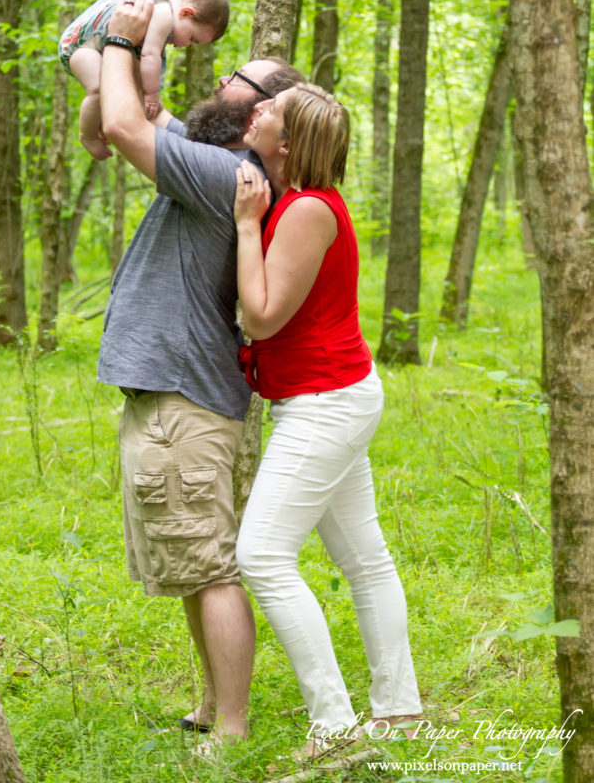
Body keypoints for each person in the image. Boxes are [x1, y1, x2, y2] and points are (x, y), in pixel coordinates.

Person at [96, 0, 305, 745]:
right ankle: (213, 706)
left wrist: (124, 41)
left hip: (186, 397)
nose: (218, 84)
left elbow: (125, 124)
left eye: (236, 83)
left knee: (209, 565)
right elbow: (133, 118)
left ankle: (235, 730)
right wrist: (112, 56)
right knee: (194, 560)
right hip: (179, 390)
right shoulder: (222, 164)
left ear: (263, 114)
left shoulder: (227, 178)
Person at [232, 83, 421, 758]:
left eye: (269, 114)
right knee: (364, 560)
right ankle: (397, 712)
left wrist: (248, 225)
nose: (255, 113)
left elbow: (261, 316)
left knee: (260, 555)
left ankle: (335, 724)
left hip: (325, 402)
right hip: (334, 394)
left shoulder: (306, 210)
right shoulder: (298, 200)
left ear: (287, 146)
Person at [59, 0, 229, 159]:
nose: (186, 45)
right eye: (192, 38)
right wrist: (152, 94)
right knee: (98, 89)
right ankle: (88, 136)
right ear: (186, 13)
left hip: (94, 46)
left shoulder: (159, 3)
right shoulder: (163, 14)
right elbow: (150, 55)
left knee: (116, 90)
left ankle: (100, 118)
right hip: (80, 46)